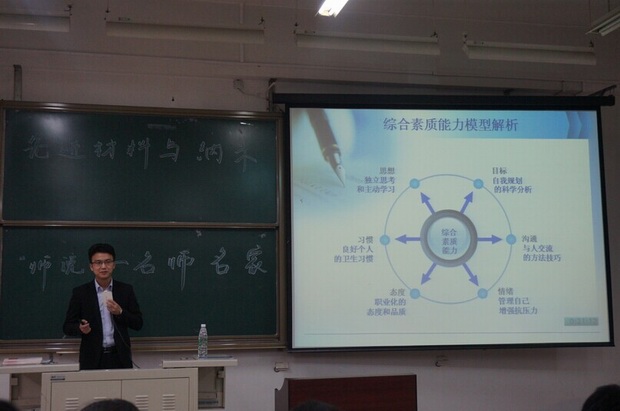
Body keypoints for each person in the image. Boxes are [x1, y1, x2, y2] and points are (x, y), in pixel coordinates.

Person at [63, 243, 143, 370]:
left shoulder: (125, 290)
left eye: (108, 262)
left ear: (114, 265)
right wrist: (80, 328)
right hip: (92, 358)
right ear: (91, 267)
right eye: (98, 263)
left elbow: (138, 323)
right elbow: (67, 326)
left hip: (120, 357)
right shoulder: (81, 293)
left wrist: (120, 312)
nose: (103, 266)